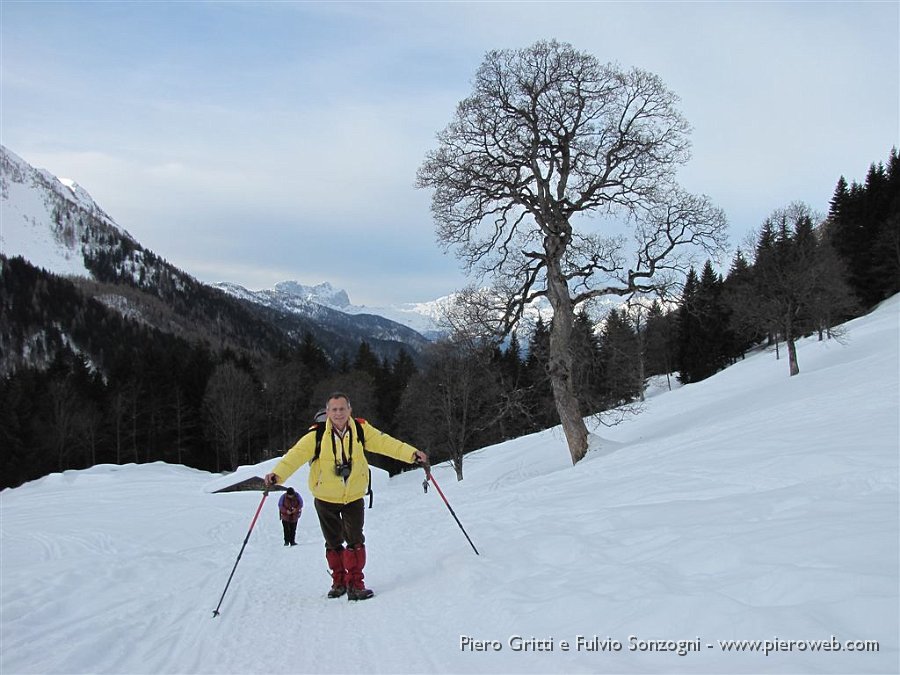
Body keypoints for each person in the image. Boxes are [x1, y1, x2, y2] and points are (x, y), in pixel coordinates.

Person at [265, 392, 427, 601]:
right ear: (328, 412)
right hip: (325, 498)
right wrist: (277, 475)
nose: (339, 413)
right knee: (333, 542)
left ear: (350, 410)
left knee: (355, 540)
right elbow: (294, 456)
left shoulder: (361, 430)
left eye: (342, 409)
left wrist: (412, 454)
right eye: (334, 409)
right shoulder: (316, 436)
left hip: (353, 497)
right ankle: (339, 582)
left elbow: (387, 443)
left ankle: (355, 584)